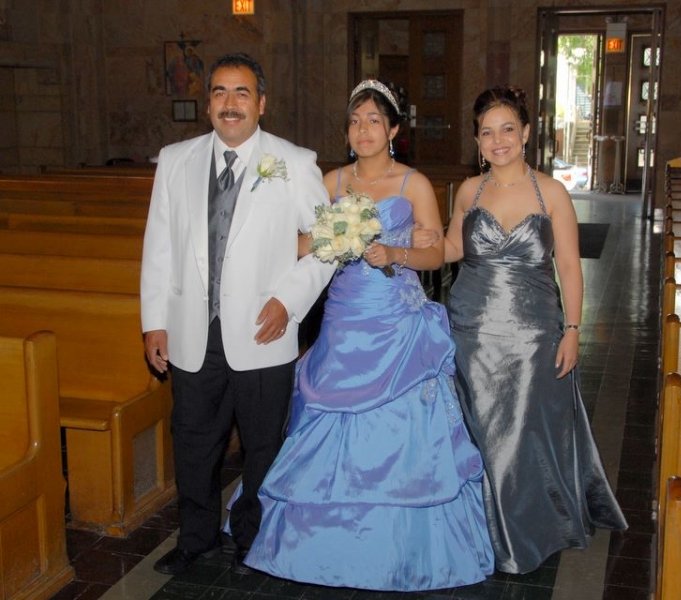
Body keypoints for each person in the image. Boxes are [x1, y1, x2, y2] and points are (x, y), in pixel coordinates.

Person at [224, 79, 494, 591]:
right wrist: (329, 238)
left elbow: (436, 253)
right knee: (327, 423)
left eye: (374, 120)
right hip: (344, 319)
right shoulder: (330, 181)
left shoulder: (413, 183)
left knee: (400, 434)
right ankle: (315, 543)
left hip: (397, 323)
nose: (363, 130)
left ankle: (399, 544)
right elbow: (296, 242)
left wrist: (396, 253)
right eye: (354, 121)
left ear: (393, 130)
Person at [140, 52, 335, 576]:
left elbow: (330, 243)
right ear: (208, 103)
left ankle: (254, 540)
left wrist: (288, 301)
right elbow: (159, 245)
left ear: (261, 103)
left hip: (262, 330)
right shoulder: (176, 161)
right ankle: (197, 539)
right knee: (193, 442)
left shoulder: (293, 162)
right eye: (220, 92)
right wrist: (154, 320)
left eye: (242, 93)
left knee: (262, 445)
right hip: (192, 330)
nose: (230, 103)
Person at [444, 86, 628, 574]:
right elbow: (451, 249)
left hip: (533, 333)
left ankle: (526, 526)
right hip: (471, 330)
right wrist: (401, 246)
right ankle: (479, 528)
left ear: (526, 133)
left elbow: (568, 265)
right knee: (480, 431)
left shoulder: (552, 192)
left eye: (508, 129)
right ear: (477, 140)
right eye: (487, 132)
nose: (498, 140)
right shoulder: (469, 191)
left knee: (523, 432)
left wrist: (573, 329)